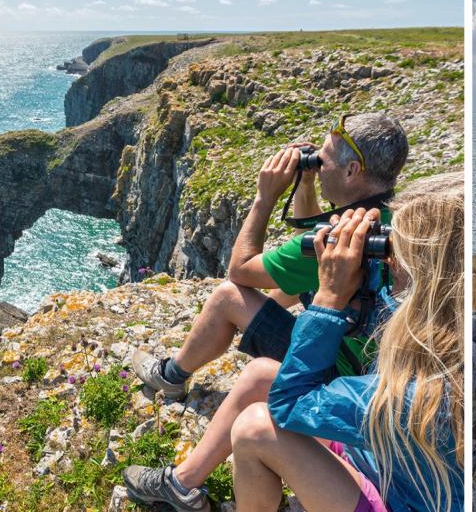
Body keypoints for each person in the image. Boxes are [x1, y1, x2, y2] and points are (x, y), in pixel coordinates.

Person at [126, 195, 465, 512]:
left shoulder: (418, 394)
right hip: (388, 471)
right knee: (262, 376)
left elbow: (289, 405)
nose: (388, 262)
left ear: (423, 277)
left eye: (395, 256)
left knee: (257, 429)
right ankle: (182, 484)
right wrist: (357, 276)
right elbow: (376, 318)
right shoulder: (445, 330)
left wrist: (330, 295)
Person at [130, 112, 409, 400]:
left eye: (322, 160)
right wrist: (305, 184)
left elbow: (240, 270)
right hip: (379, 374)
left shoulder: (342, 239)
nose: (317, 168)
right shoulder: (395, 221)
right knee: (293, 286)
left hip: (337, 377)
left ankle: (169, 376)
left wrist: (264, 197)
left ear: (351, 170)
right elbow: (309, 253)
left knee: (228, 297)